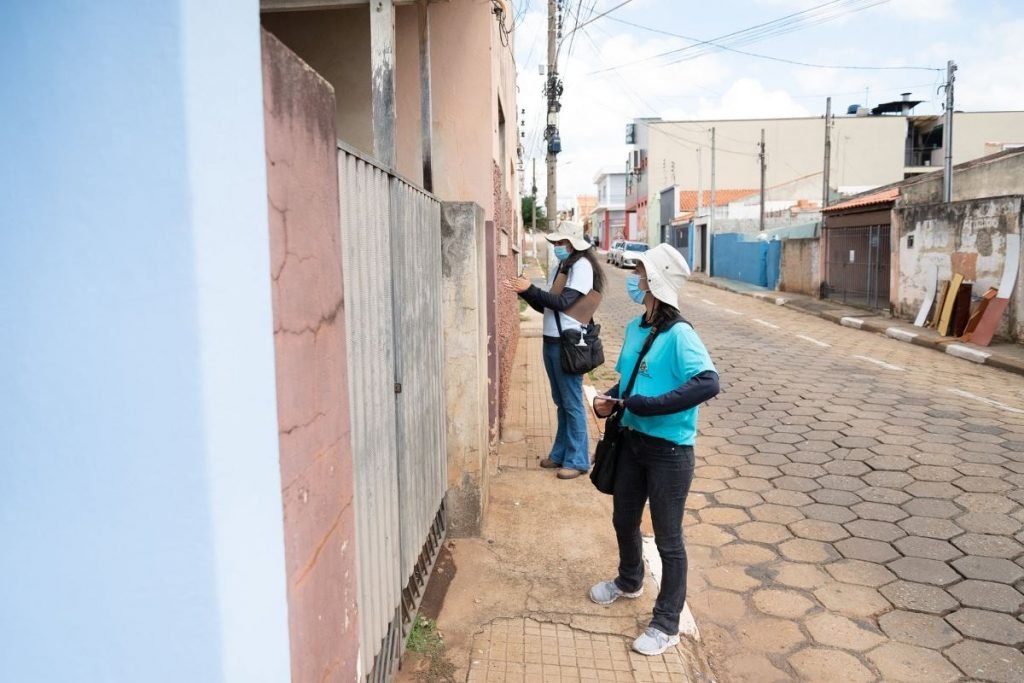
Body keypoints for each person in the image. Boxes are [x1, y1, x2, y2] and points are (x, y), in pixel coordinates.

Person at [589, 243, 720, 656]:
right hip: (631, 441)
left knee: (668, 539)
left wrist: (650, 405)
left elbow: (707, 382)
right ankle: (630, 580)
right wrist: (608, 398)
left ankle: (667, 623)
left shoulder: (681, 334)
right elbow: (628, 382)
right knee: (624, 518)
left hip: (669, 452)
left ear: (655, 282)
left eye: (641, 272)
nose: (635, 278)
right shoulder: (635, 328)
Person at [503, 232, 606, 480]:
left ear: (573, 244)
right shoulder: (563, 265)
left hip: (568, 343)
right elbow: (546, 305)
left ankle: (578, 460)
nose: (557, 246)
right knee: (561, 403)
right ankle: (560, 454)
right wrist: (525, 291)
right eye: (556, 243)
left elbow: (562, 302)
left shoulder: (581, 266)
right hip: (553, 341)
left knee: (571, 404)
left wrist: (531, 289)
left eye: (562, 243)